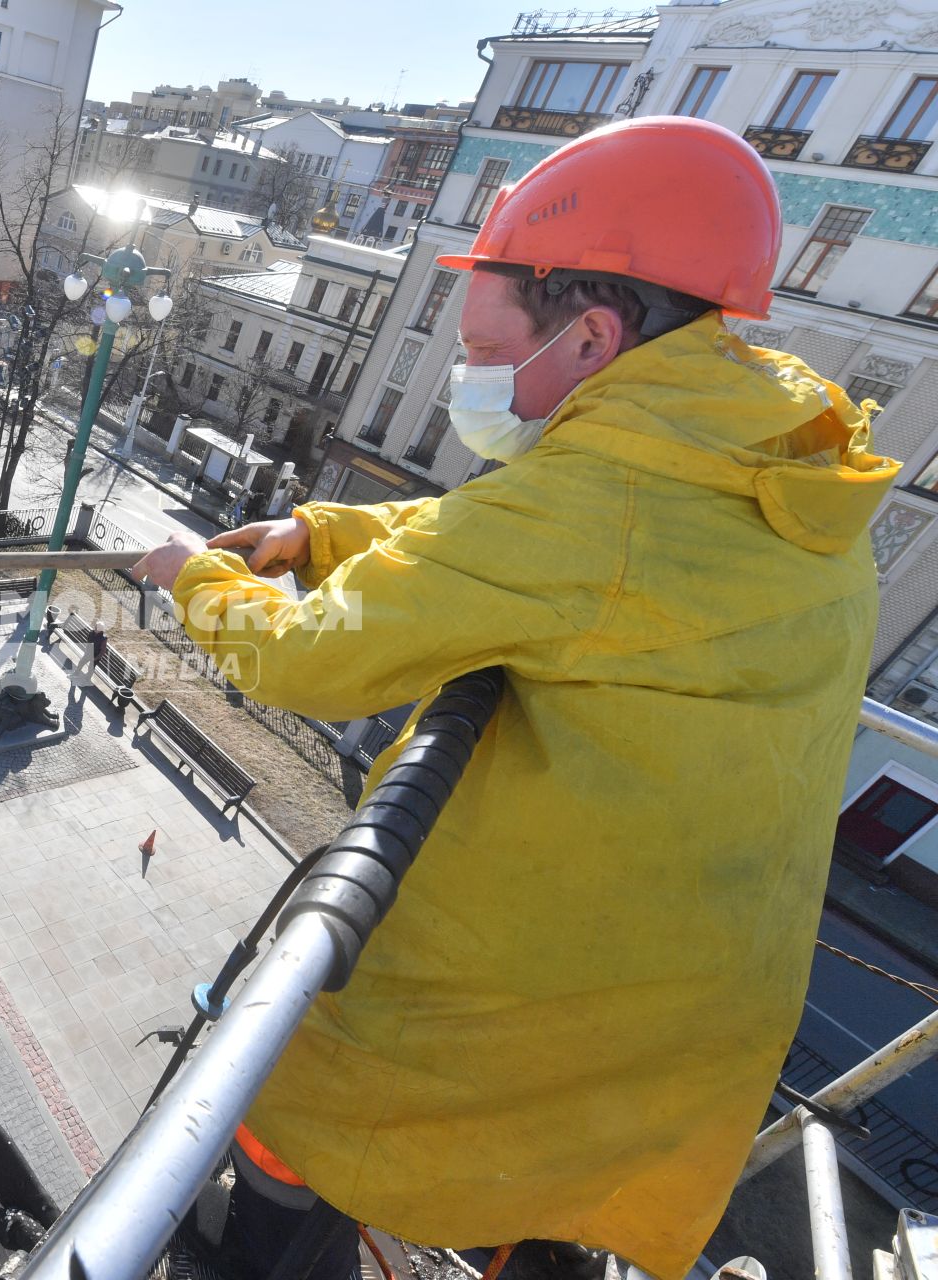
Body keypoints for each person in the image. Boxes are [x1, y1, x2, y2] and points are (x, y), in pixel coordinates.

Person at [131, 116, 898, 1280]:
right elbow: (506, 539)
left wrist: (197, 576)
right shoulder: (761, 442)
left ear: (593, 331)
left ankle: (263, 1248)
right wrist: (329, 528)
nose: (470, 376)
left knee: (286, 1076)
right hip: (696, 1020)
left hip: (554, 996)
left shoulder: (605, 498)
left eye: (486, 347)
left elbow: (310, 660)